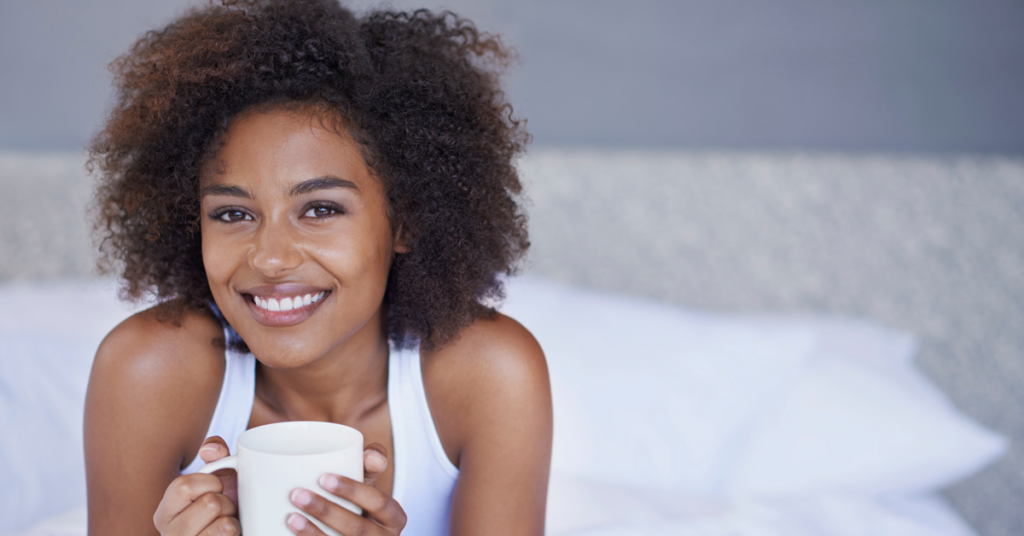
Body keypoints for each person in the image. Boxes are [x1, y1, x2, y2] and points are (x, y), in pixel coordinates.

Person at [83, 1, 552, 534]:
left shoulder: (489, 375)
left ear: (406, 223)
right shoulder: (147, 370)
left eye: (321, 209)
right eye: (233, 213)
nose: (271, 258)